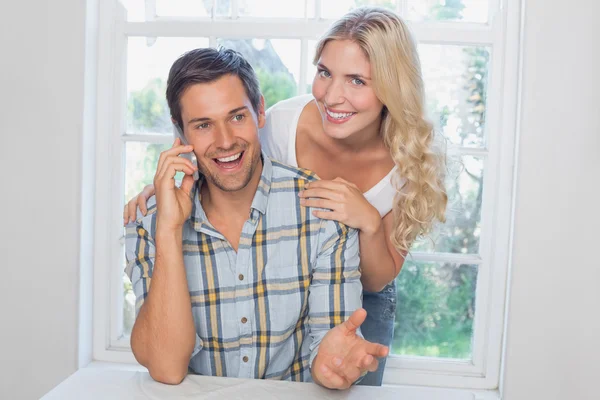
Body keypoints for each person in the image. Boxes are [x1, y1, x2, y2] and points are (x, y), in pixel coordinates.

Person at [124, 6, 447, 386]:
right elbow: (217, 147)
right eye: (325, 73)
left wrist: (370, 223)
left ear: (391, 88)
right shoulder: (280, 123)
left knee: (345, 369)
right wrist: (163, 199)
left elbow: (376, 280)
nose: (333, 95)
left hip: (363, 280)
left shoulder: (412, 157)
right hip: (274, 263)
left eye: (357, 80)